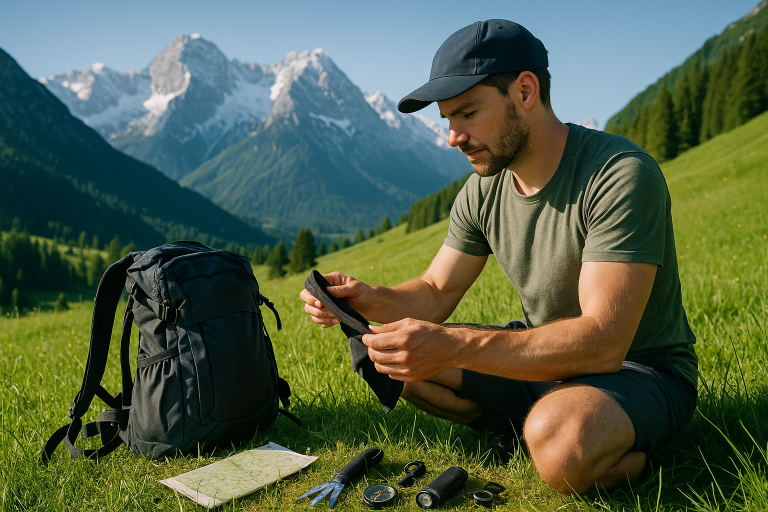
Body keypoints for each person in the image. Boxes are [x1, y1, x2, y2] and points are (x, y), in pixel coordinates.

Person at [300, 19, 697, 495]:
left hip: (638, 370)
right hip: (541, 355)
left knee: (560, 444)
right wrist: (365, 299)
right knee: (385, 352)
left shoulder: (618, 176)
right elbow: (434, 292)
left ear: (526, 91)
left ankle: (602, 446)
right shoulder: (483, 189)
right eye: (448, 119)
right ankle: (517, 426)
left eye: (468, 113)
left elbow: (604, 341)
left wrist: (455, 347)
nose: (453, 136)